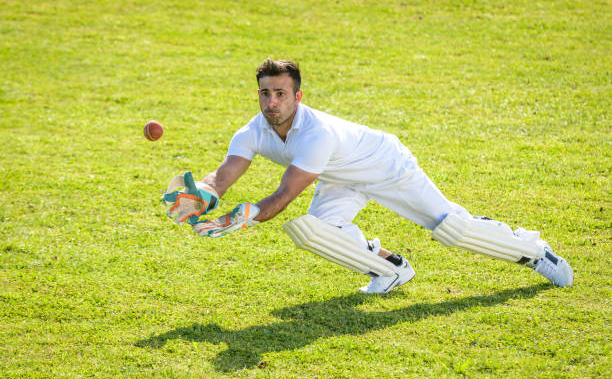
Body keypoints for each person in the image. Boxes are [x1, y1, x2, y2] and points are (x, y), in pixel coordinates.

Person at [162, 58, 573, 294]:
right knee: (316, 231)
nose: (272, 102)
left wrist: (241, 217)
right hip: (340, 176)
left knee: (454, 229)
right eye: (265, 93)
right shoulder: (250, 131)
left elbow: (283, 197)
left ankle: (537, 251)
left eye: (281, 93)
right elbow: (225, 173)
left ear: (298, 96)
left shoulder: (316, 134)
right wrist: (206, 195)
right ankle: (391, 268)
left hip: (386, 166)